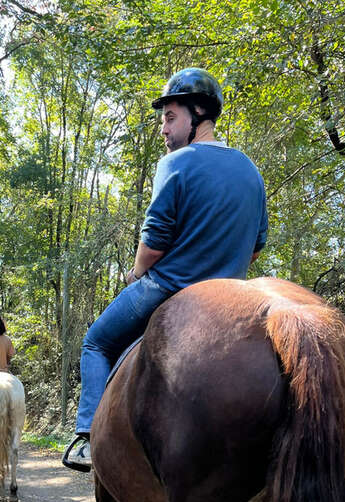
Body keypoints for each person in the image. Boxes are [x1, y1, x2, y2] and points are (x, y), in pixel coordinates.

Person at [62, 67, 268, 472]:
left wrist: (137, 273)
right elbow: (256, 248)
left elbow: (154, 242)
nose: (164, 129)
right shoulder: (251, 172)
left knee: (96, 342)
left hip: (168, 287)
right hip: (230, 299)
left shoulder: (176, 163)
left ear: (198, 116)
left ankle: (86, 436)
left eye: (170, 117)